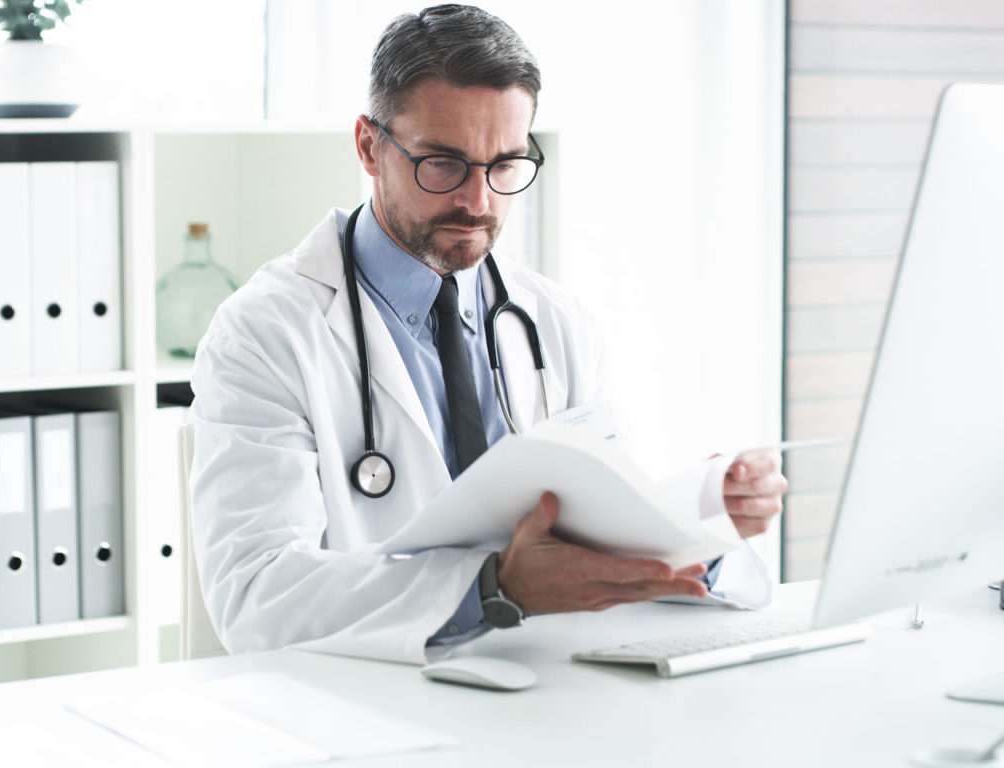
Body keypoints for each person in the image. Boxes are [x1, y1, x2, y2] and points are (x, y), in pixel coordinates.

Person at [189, 3, 786, 664]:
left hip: (540, 692)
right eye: (443, 164)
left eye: (505, 165)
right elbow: (256, 596)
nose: (478, 202)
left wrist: (693, 521)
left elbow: (594, 539)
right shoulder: (265, 333)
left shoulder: (553, 322)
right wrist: (491, 587)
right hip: (360, 707)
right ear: (368, 145)